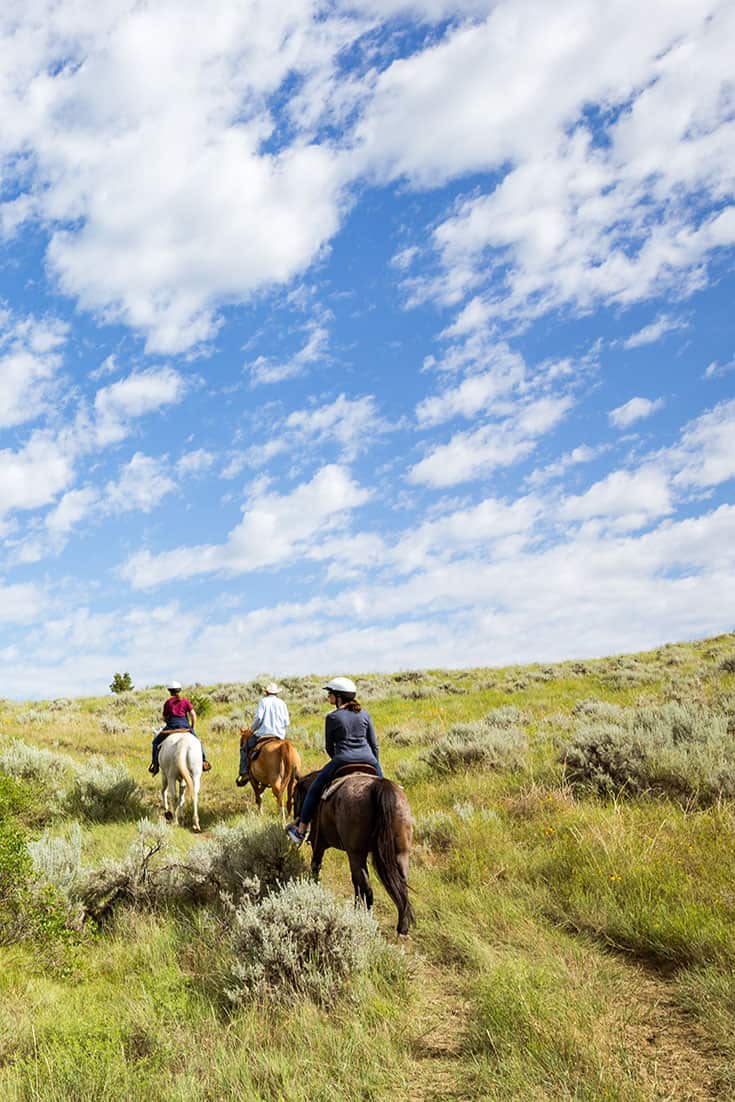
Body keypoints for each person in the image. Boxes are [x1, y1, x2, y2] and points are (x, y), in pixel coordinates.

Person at [286, 676, 382, 845]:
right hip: (369, 759)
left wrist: (339, 760)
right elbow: (374, 745)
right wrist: (374, 765)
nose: (328, 697)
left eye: (330, 693)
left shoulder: (332, 717)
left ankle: (300, 830)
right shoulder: (365, 715)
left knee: (314, 789)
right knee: (385, 785)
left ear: (339, 696)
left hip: (343, 759)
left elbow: (329, 747)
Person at [149, 681, 211, 775]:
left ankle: (155, 764)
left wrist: (170, 722)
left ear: (170, 691)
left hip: (171, 727)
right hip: (185, 727)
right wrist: (192, 727)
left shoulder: (168, 703)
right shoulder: (185, 701)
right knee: (198, 742)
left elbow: (165, 718)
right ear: (180, 690)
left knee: (155, 743)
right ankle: (204, 761)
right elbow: (193, 715)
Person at [236, 682, 290, 786]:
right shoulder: (282, 703)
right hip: (279, 736)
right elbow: (287, 722)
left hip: (263, 734)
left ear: (266, 692)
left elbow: (259, 718)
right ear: (276, 693)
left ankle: (244, 773)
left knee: (244, 748)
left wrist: (251, 730)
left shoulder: (263, 702)